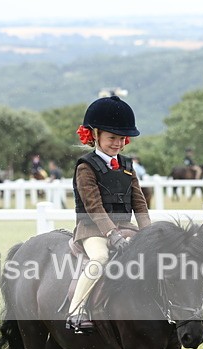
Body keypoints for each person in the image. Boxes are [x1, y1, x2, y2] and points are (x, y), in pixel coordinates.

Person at [66, 95, 151, 333]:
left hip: (125, 227)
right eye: (112, 137)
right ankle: (75, 311)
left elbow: (139, 203)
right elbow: (94, 207)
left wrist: (149, 232)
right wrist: (111, 234)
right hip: (93, 230)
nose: (117, 143)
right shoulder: (86, 167)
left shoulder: (127, 166)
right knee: (100, 258)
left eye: (121, 138)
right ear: (95, 135)